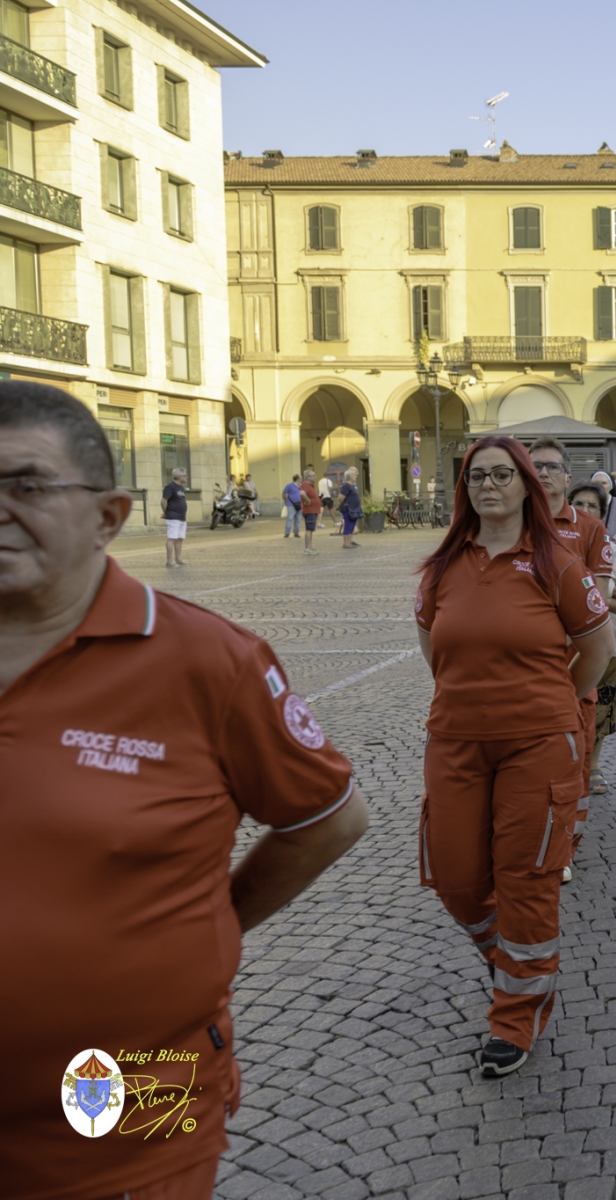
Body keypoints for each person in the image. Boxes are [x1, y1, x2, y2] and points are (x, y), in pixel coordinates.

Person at [1, 382, 368, 1199]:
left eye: (25, 487)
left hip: (139, 1085)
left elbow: (329, 821)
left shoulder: (209, 661)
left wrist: (210, 928)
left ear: (108, 515)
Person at [414, 435, 615, 1078]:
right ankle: (517, 965)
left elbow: (597, 650)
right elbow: (433, 650)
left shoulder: (556, 560)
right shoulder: (442, 567)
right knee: (455, 876)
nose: (489, 486)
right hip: (456, 739)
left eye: (503, 475)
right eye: (477, 476)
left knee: (526, 876)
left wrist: (553, 704)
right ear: (464, 489)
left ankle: (517, 1015)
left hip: (538, 742)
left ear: (527, 486)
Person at [529, 438, 616, 880]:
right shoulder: (510, 523)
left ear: (567, 477)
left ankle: (563, 845)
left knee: (575, 761)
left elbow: (598, 602)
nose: (542, 473)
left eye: (551, 467)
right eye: (534, 466)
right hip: (523, 670)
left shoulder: (588, 528)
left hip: (570, 666)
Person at [568, 481, 616, 806]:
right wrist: (604, 597)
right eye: (578, 505)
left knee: (600, 704)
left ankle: (592, 764)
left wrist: (606, 600)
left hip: (603, 640)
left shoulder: (613, 550)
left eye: (591, 506)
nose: (584, 511)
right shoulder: (549, 546)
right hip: (558, 642)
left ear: (602, 513)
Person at [162, 466, 189, 567]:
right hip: (173, 517)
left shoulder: (181, 488)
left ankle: (178, 559)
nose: (186, 477)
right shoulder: (170, 487)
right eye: (185, 475)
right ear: (179, 476)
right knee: (172, 538)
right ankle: (169, 561)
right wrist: (166, 512)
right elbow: (164, 501)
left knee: (179, 539)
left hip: (181, 517)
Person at [338, 467, 363, 547]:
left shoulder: (352, 485)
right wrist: (340, 505)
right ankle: (346, 543)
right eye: (354, 476)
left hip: (354, 508)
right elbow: (340, 498)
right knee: (348, 525)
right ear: (350, 477)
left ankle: (349, 542)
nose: (356, 477)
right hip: (348, 509)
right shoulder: (346, 486)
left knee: (352, 525)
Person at [299, 468, 322, 554]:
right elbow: (301, 493)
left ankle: (309, 547)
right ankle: (307, 549)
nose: (315, 477)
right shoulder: (305, 484)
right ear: (308, 477)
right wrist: (308, 500)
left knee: (311, 529)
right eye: (313, 476)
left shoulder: (310, 485)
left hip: (313, 510)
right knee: (309, 529)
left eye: (315, 475)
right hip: (309, 510)